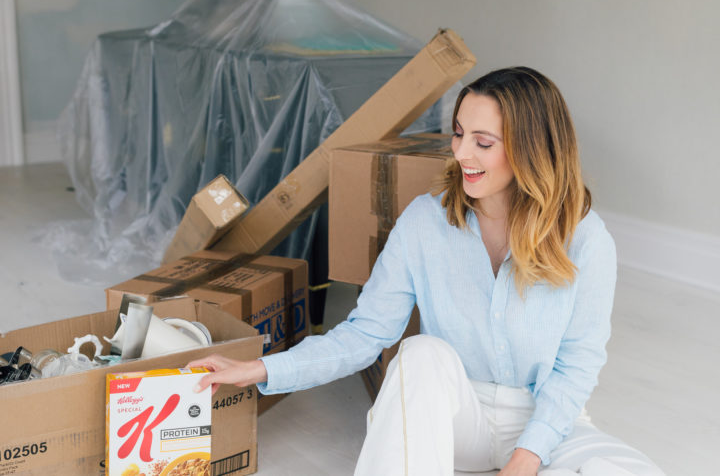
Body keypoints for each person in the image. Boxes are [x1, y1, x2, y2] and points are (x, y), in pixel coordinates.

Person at [188, 67, 665, 476]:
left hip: (546, 422)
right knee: (420, 353)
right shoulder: (425, 220)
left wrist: (527, 456)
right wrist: (262, 367)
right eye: (459, 133)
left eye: (483, 142)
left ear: (531, 148)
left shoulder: (586, 238)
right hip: (454, 414)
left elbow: (577, 365)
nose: (460, 154)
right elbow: (365, 335)